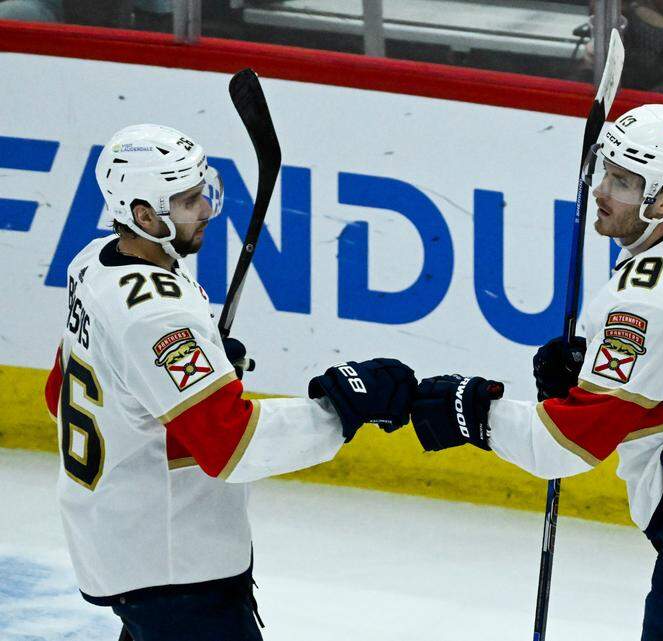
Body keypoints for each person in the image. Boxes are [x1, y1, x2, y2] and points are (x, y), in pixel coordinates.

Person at [407, 104, 663, 640]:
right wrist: (592, 375)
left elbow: (563, 446)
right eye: (607, 171)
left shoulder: (649, 301)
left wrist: (470, 415)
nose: (602, 190)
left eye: (625, 182)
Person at [44, 124, 415, 641]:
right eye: (189, 200)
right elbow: (232, 445)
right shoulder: (158, 316)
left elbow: (55, 393)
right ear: (144, 215)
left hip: (121, 544)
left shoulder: (91, 263)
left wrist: (186, 382)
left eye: (203, 191)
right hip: (174, 567)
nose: (207, 210)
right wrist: (343, 407)